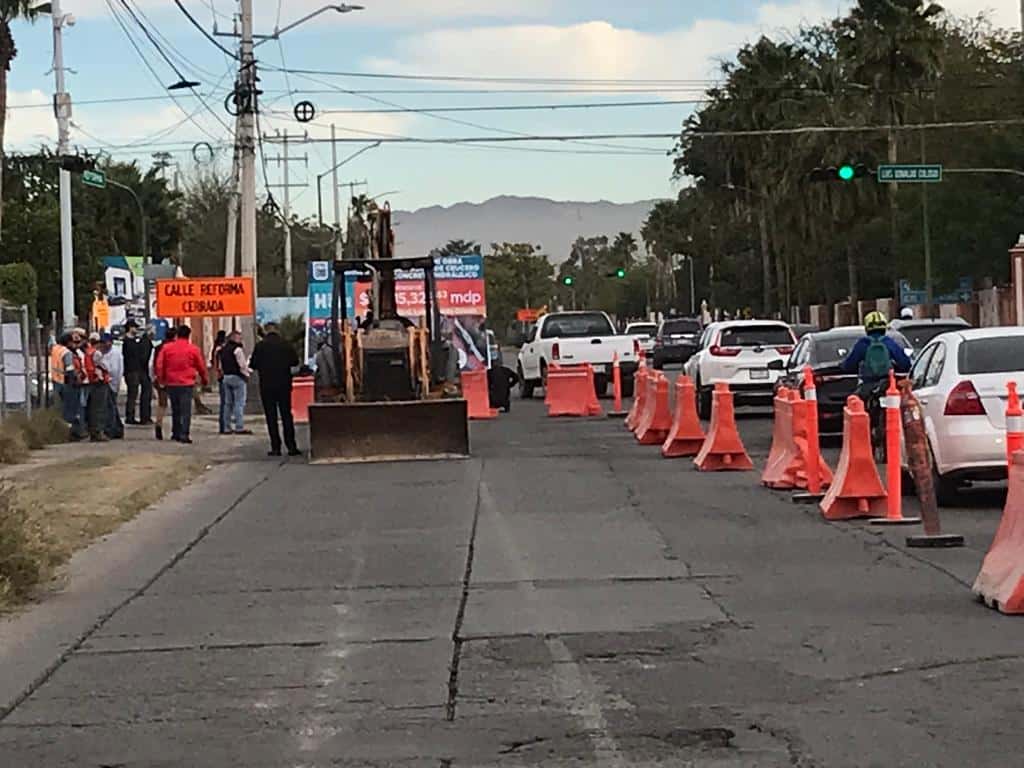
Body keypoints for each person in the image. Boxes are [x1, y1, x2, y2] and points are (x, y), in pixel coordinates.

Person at [250, 322, 301, 457]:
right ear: (277, 331)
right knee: (286, 415)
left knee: (271, 417)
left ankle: (276, 447)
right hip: (284, 384)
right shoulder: (285, 344)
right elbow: (295, 361)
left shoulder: (260, 346)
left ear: (266, 331)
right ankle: (291, 446)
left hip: (266, 385)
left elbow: (253, 364)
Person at [841, 311, 912, 401]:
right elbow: (905, 364)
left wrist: (842, 366)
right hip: (887, 385)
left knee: (853, 402)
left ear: (867, 328)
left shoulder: (863, 343)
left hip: (867, 386)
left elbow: (849, 365)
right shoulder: (889, 342)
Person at [155, 325, 208, 444]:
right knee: (186, 410)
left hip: (171, 382)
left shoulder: (167, 348)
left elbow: (159, 365)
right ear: (188, 335)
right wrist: (204, 379)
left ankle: (176, 432)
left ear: (177, 334)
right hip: (187, 383)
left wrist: (161, 379)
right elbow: (201, 366)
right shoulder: (193, 349)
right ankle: (184, 433)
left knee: (176, 409)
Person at [219, 329, 252, 434]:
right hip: (237, 378)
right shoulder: (237, 350)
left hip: (226, 377)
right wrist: (247, 375)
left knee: (227, 404)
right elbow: (242, 365)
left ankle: (226, 427)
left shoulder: (222, 350)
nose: (241, 339)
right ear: (234, 338)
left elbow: (220, 365)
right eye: (239, 337)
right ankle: (239, 426)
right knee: (239, 403)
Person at [82, 332, 111, 442]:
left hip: (92, 381)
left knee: (93, 408)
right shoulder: (96, 353)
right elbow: (104, 366)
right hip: (99, 381)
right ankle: (98, 432)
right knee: (99, 408)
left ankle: (94, 431)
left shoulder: (88, 352)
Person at [123, 321, 153, 425]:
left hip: (139, 370)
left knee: (141, 392)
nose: (136, 330)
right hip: (132, 370)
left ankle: (143, 416)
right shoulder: (127, 341)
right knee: (132, 394)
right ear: (130, 328)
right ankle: (130, 416)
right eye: (134, 327)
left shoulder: (135, 341)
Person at [151, 327, 176, 441]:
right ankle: (176, 429)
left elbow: (154, 364)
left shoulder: (158, 347)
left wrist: (156, 377)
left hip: (161, 379)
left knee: (162, 404)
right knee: (177, 404)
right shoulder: (174, 348)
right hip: (173, 378)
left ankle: (158, 425)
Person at [100, 332, 124, 439]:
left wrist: (102, 366)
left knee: (110, 407)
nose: (103, 345)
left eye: (105, 342)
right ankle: (117, 428)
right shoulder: (103, 353)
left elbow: (113, 370)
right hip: (106, 382)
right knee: (111, 407)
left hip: (111, 382)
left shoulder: (114, 354)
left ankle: (112, 429)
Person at [211, 330, 228, 434]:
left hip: (220, 376)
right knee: (225, 402)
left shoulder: (215, 349)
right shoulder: (221, 349)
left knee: (224, 402)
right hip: (223, 375)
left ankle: (223, 425)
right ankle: (224, 425)